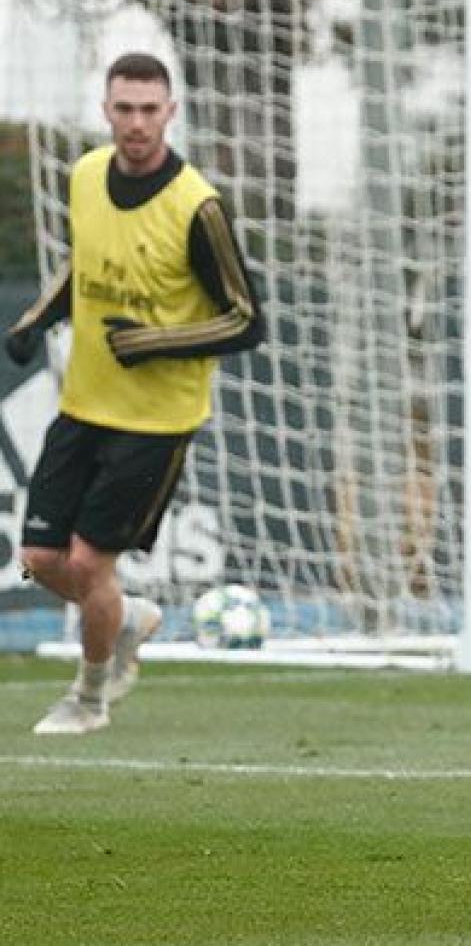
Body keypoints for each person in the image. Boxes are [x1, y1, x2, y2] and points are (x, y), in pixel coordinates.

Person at [4, 52, 265, 735]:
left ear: (170, 113)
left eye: (150, 110)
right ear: (106, 110)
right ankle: (126, 619)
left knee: (90, 562)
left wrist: (149, 340)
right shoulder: (87, 175)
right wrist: (34, 324)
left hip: (158, 420)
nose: (137, 123)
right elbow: (82, 267)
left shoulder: (196, 206)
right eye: (125, 108)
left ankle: (89, 699)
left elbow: (246, 319)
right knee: (38, 561)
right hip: (83, 401)